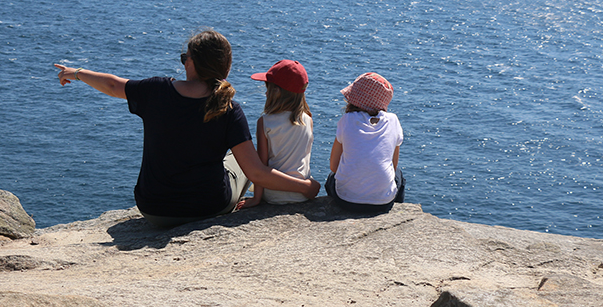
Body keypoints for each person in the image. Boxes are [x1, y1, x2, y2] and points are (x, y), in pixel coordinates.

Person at [54, 28, 320, 229]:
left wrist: (76, 72)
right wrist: (305, 187)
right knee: (240, 161)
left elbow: (113, 85)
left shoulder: (156, 90)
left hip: (154, 209)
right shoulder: (229, 107)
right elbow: (256, 173)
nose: (183, 62)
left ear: (191, 63)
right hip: (208, 207)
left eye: (184, 58)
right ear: (226, 67)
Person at [237, 59, 314, 209]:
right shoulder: (308, 120)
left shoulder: (265, 122)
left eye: (268, 88)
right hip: (302, 194)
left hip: (273, 195)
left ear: (276, 92)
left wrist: (256, 199)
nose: (266, 92)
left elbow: (262, 164)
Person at [326, 72, 405, 214]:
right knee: (398, 174)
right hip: (382, 204)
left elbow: (334, 166)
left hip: (346, 201)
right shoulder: (393, 121)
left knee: (331, 178)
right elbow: (393, 166)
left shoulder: (347, 120)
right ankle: (396, 212)